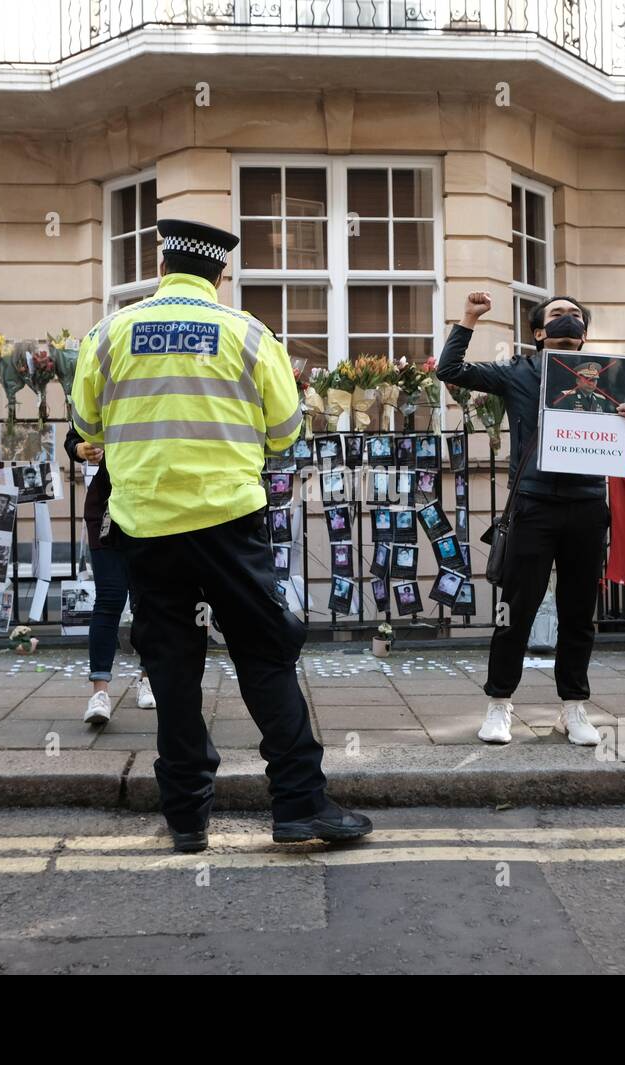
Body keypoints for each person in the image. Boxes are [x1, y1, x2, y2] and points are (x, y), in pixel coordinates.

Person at [71, 217, 372, 853]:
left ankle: (186, 817)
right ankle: (298, 805)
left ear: (163, 269)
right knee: (266, 655)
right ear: (219, 274)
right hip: (230, 522)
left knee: (170, 664)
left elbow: (86, 425)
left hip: (145, 524)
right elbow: (288, 431)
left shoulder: (108, 333)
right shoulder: (247, 333)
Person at [436, 290, 625, 746]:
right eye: (557, 314)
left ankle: (573, 708)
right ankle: (498, 704)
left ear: (584, 335)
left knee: (578, 614)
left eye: (575, 315)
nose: (567, 320)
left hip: (588, 505)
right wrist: (469, 318)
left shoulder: (611, 381)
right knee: (516, 609)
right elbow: (450, 371)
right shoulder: (519, 373)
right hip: (533, 503)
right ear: (539, 332)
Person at [61, 424, 157, 722]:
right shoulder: (104, 384)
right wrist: (81, 449)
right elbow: (74, 435)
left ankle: (148, 677)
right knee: (110, 597)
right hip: (106, 510)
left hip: (152, 506)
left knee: (149, 600)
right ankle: (99, 691)